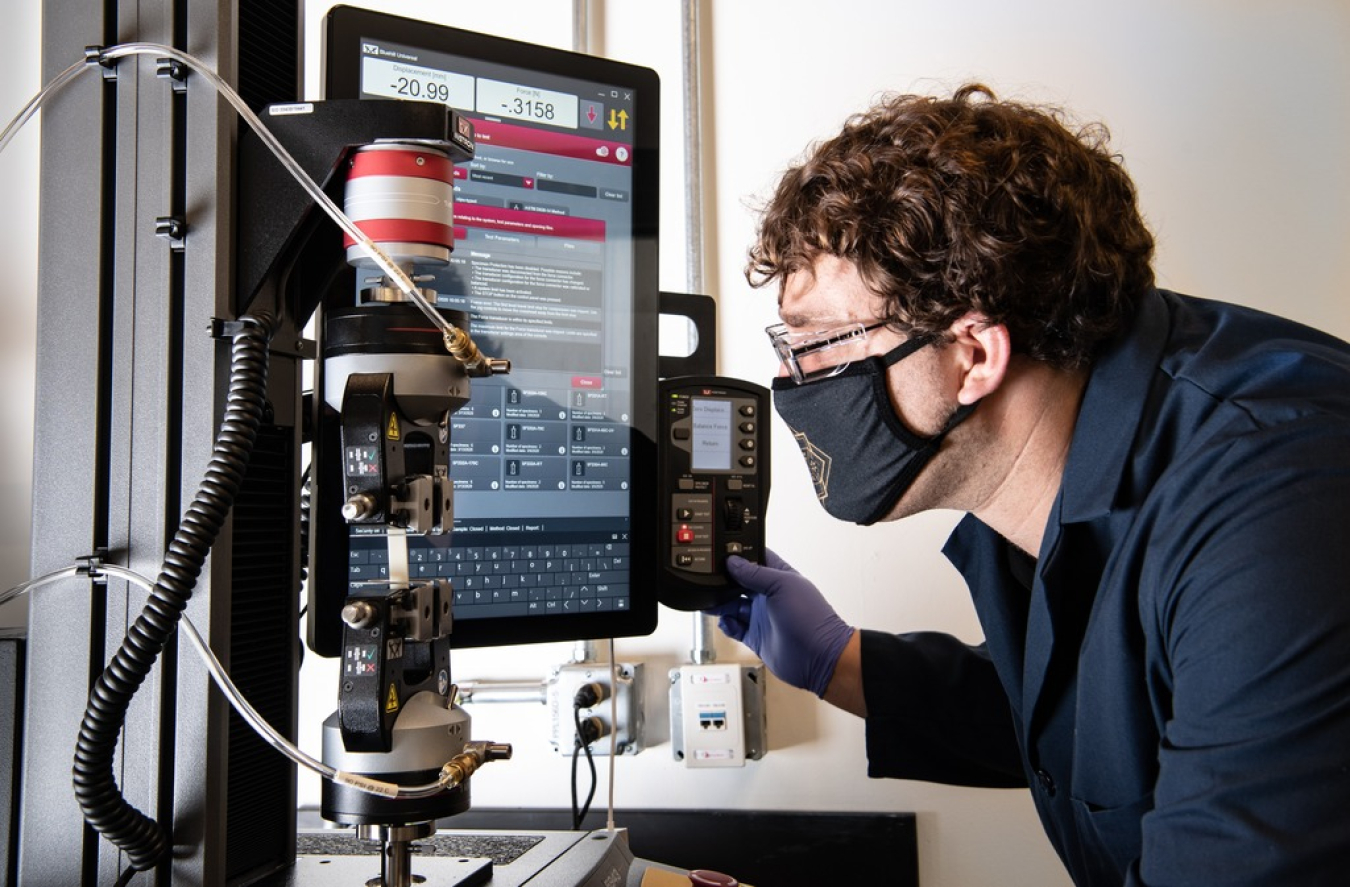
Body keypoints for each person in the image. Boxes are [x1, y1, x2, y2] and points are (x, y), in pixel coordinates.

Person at [709, 83, 1350, 887]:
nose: (791, 380)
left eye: (817, 346)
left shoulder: (1271, 506)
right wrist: (837, 657)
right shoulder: (1056, 479)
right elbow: (1087, 722)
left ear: (974, 354)